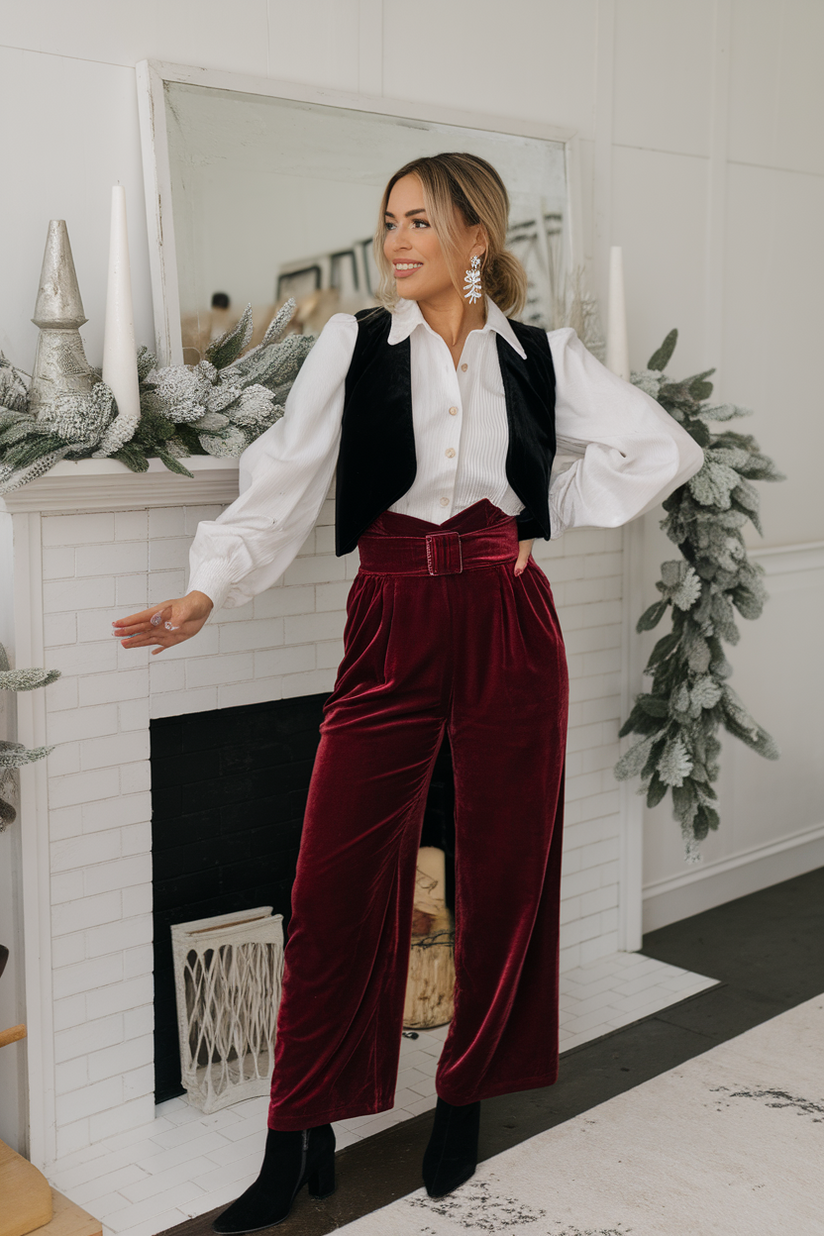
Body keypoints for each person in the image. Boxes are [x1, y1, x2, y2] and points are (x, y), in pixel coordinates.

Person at [113, 153, 703, 1232]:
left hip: (508, 629)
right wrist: (208, 588)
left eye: (419, 220)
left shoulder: (538, 355)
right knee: (335, 883)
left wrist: (537, 515)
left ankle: (462, 1095)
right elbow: (281, 482)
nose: (393, 241)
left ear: (474, 236)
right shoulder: (353, 344)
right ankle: (298, 1132)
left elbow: (661, 445)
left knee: (503, 870)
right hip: (385, 623)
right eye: (386, 220)